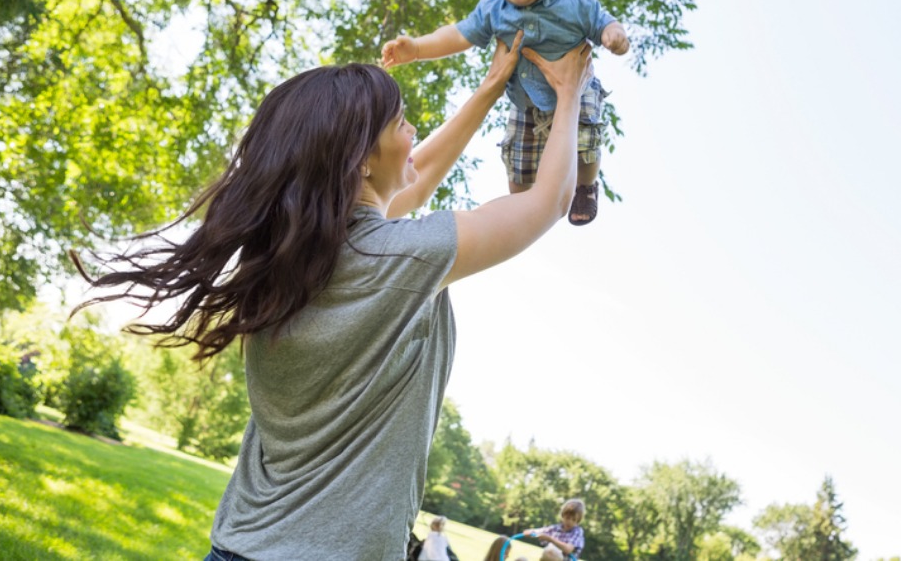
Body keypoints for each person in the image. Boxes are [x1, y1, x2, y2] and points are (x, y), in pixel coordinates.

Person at [72, 33, 596, 560]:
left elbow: (412, 181)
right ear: (360, 160)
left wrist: (488, 90)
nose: (413, 131)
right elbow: (550, 200)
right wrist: (570, 92)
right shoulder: (403, 258)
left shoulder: (287, 260)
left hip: (236, 546)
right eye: (400, 123)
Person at [381, 0, 629, 226]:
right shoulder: (494, 10)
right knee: (517, 168)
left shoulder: (578, 1)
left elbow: (604, 22)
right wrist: (417, 48)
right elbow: (457, 35)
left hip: (578, 92)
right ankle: (526, 204)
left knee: (587, 144)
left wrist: (614, 34)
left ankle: (586, 186)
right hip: (524, 103)